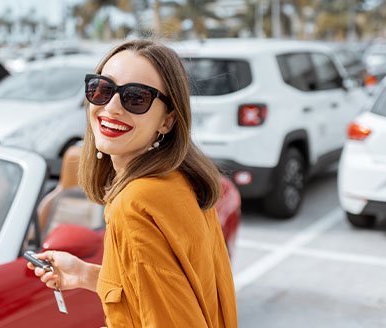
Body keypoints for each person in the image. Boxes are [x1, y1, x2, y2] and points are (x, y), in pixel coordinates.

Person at [27, 39, 237, 327]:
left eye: (136, 97)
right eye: (102, 89)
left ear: (168, 121)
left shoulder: (136, 204)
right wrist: (85, 275)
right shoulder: (180, 182)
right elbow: (172, 297)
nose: (111, 107)